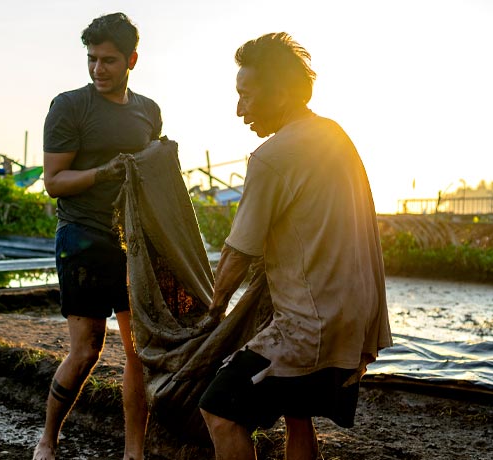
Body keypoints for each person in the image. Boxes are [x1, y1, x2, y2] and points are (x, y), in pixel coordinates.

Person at [198, 32, 392, 460]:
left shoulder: (271, 157)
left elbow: (236, 254)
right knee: (297, 413)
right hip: (356, 318)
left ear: (281, 93)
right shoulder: (334, 136)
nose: (239, 110)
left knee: (220, 412)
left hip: (310, 327)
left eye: (246, 96)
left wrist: (211, 313)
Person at [32, 12, 162, 460]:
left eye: (108, 60)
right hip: (82, 237)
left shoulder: (148, 111)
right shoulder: (70, 106)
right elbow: (54, 181)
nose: (97, 69)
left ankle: (134, 453)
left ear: (132, 60)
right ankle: (48, 438)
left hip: (133, 243)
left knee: (138, 350)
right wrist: (104, 172)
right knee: (87, 349)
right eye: (91, 59)